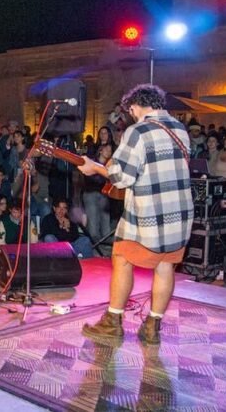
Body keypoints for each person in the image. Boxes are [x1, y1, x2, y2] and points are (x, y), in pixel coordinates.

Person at [76, 84, 193, 345]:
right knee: (165, 266)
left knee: (121, 258)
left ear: (135, 106)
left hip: (148, 214)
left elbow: (120, 176)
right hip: (179, 215)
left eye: (129, 111)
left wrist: (95, 167)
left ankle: (113, 322)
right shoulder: (179, 129)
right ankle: (152, 327)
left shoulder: (138, 130)